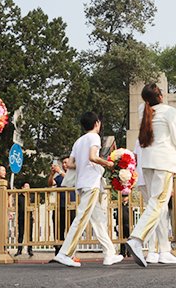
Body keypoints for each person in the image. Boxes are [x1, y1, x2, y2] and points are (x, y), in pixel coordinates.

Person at [52, 112, 123, 267]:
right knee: (82, 218)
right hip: (91, 183)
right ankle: (65, 253)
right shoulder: (94, 137)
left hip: (82, 184)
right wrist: (107, 164)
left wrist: (85, 163)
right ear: (97, 123)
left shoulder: (78, 141)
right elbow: (92, 157)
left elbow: (70, 164)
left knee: (98, 220)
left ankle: (109, 253)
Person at [126, 83, 176, 267]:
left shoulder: (144, 109)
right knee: (158, 204)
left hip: (147, 162)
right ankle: (137, 237)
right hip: (163, 161)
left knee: (159, 207)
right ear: (161, 95)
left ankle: (164, 250)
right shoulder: (169, 111)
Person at [49, 156, 76, 255]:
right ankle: (58, 252)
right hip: (59, 206)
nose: (65, 165)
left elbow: (71, 181)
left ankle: (70, 253)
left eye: (66, 162)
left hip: (71, 206)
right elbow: (50, 183)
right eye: (63, 163)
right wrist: (52, 175)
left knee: (71, 230)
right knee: (58, 229)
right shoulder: (59, 177)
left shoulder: (74, 174)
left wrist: (60, 171)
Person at [15, 182, 34, 257]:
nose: (27, 188)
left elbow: (34, 206)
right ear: (22, 188)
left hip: (29, 217)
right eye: (26, 186)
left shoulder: (32, 196)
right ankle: (19, 250)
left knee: (30, 234)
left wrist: (34, 216)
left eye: (28, 187)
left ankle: (30, 250)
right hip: (21, 217)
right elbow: (17, 207)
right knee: (20, 234)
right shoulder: (19, 197)